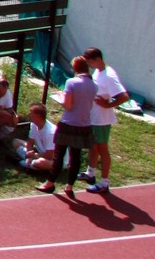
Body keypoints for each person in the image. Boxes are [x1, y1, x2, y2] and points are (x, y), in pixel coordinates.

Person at [42, 55, 97, 197]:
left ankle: (50, 183)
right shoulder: (94, 85)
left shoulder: (71, 82)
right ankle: (69, 186)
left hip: (68, 123)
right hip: (84, 124)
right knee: (76, 156)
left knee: (59, 154)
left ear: (75, 68)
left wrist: (61, 98)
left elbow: (68, 105)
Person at [80, 46, 129, 194]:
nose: (89, 65)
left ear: (98, 59)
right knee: (93, 147)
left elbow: (124, 96)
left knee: (102, 150)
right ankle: (90, 173)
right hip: (94, 117)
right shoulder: (98, 71)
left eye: (90, 62)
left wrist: (108, 105)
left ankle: (104, 182)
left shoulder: (109, 76)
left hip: (102, 120)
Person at [13, 102, 58, 174]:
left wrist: (34, 155)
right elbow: (30, 142)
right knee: (16, 142)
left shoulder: (50, 132)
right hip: (39, 153)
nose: (29, 115)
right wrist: (29, 152)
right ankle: (28, 163)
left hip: (54, 160)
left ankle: (23, 163)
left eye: (31, 113)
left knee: (39, 163)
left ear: (38, 116)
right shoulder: (33, 124)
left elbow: (50, 155)